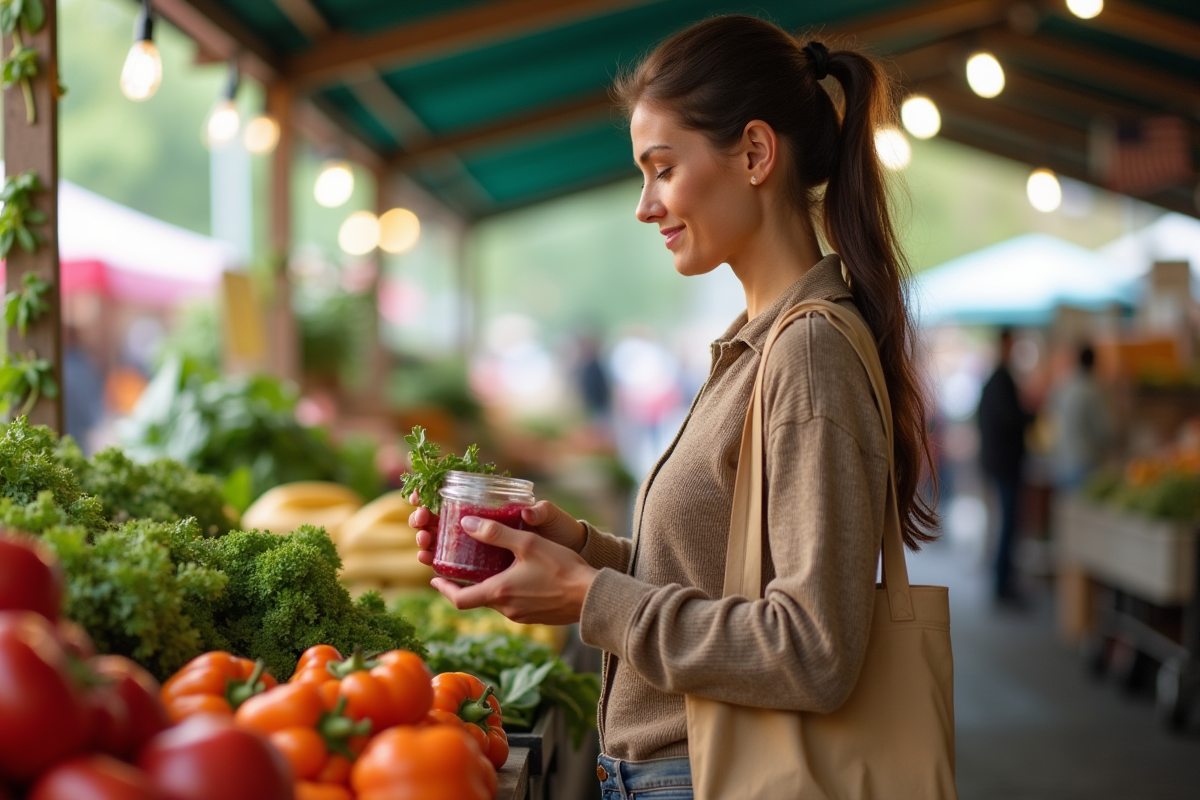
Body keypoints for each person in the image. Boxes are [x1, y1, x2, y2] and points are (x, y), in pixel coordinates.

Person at [409, 16, 938, 797]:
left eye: (662, 169)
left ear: (755, 154)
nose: (644, 205)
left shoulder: (808, 355)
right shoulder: (756, 343)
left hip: (715, 774)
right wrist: (581, 548)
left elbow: (812, 650)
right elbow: (722, 589)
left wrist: (591, 598)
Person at [977, 327, 1036, 604]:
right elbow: (1009, 420)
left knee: (1007, 524)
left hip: (999, 462)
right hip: (1006, 464)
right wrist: (1031, 415)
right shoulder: (1002, 381)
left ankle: (1004, 582)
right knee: (1009, 525)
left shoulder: (994, 380)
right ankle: (1003, 585)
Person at [1047, 343, 1113, 492]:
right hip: (1086, 463)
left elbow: (1051, 417)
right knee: (1083, 511)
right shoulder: (1094, 389)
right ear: (1094, 361)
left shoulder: (1063, 384)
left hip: (1061, 462)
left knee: (1065, 512)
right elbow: (1105, 430)